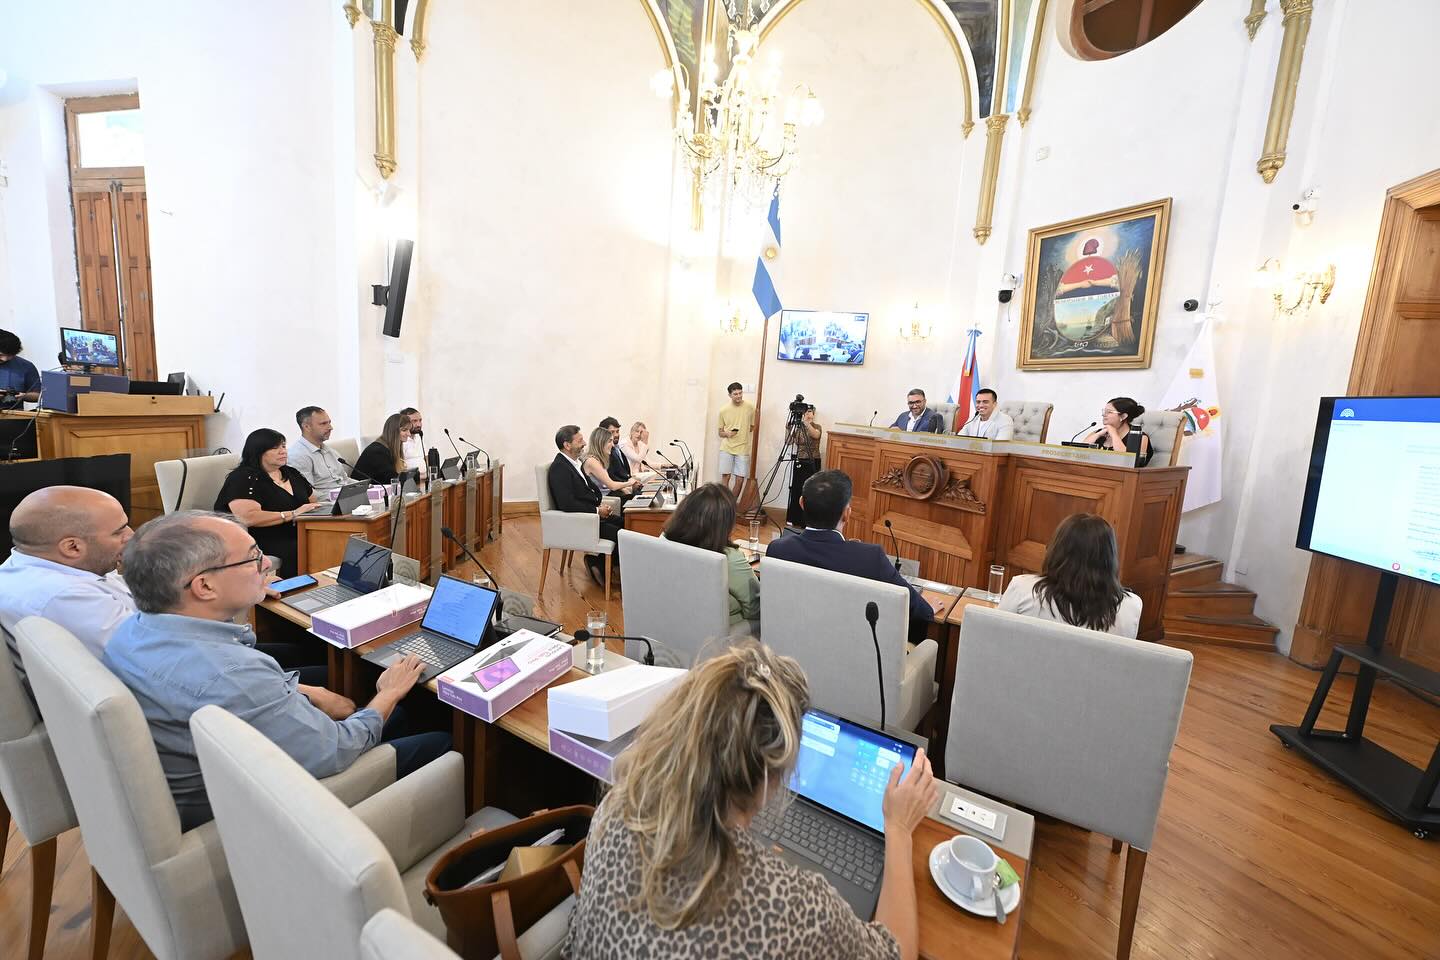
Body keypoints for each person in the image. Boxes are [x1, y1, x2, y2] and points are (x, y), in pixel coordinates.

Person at [563, 641, 937, 960]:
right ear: (771, 780)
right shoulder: (793, 909)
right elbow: (895, 952)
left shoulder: (617, 806)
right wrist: (899, 828)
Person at [103, 511, 450, 830]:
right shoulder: (234, 674)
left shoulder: (130, 632)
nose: (267, 563)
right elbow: (338, 750)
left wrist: (305, 691)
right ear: (204, 586)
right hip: (257, 814)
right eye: (253, 557)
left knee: (394, 717)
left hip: (209, 776)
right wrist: (388, 692)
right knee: (442, 741)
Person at [766, 469, 933, 644]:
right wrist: (928, 607)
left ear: (801, 503)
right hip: (849, 652)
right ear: (847, 513)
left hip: (788, 648)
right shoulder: (870, 558)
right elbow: (921, 612)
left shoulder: (778, 549)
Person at [0, 486, 134, 702]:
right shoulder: (65, 597)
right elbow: (153, 660)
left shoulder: (37, 562)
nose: (132, 535)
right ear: (72, 547)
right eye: (119, 531)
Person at [998, 513, 1143, 638]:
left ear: (1056, 551)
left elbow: (995, 637)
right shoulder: (1131, 607)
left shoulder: (1022, 589)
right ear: (1110, 559)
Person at [215, 427, 326, 577]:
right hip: (261, 538)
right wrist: (293, 514)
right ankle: (297, 588)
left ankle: (327, 584)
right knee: (303, 547)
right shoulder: (243, 478)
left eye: (283, 446)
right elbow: (248, 517)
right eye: (275, 448)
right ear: (258, 451)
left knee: (328, 539)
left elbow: (312, 501)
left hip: (298, 531)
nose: (283, 451)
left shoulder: (291, 472)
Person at [662, 483, 760, 626]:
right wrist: (733, 604)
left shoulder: (663, 540)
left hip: (669, 621)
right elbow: (756, 608)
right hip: (720, 635)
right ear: (725, 524)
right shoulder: (729, 558)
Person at [548, 424, 621, 587]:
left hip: (589, 516)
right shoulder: (559, 468)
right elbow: (567, 504)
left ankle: (599, 563)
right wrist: (596, 510)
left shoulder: (574, 463)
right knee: (621, 534)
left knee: (626, 524)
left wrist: (600, 506)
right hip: (579, 521)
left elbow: (589, 490)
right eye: (580, 441)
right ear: (567, 445)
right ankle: (601, 565)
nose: (584, 443)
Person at [288, 405, 349, 494]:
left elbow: (345, 480)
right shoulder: (297, 456)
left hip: (345, 498)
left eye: (329, 422)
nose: (330, 427)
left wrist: (367, 487)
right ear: (306, 427)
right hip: (326, 501)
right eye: (323, 424)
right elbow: (308, 493)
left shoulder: (331, 451)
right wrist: (341, 497)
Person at [1083, 397, 1152, 467]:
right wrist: (1097, 434)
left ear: (1123, 416)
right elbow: (1080, 453)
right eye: (1104, 411)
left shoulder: (1140, 437)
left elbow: (1128, 462)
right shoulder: (1100, 432)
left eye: (1109, 412)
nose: (1103, 414)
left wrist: (1114, 434)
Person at [785, 406, 823, 528]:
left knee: (810, 490)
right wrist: (789, 428)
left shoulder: (817, 426)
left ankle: (807, 521)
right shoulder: (798, 428)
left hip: (813, 461)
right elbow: (788, 441)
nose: (808, 414)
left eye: (810, 411)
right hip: (800, 460)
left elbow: (815, 435)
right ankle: (794, 518)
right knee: (797, 489)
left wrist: (806, 423)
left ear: (814, 414)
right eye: (805, 412)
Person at [584, 426, 643, 501]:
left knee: (641, 496)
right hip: (605, 498)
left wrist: (626, 487)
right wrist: (630, 483)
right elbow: (612, 486)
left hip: (611, 495)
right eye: (609, 441)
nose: (612, 445)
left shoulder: (598, 460)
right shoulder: (592, 461)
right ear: (600, 443)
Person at [717, 382, 755, 497]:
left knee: (740, 479)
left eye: (740, 393)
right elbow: (720, 433)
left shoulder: (750, 407)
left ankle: (732, 504)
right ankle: (725, 503)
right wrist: (727, 433)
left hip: (743, 448)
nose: (739, 396)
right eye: (735, 394)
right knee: (726, 477)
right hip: (726, 448)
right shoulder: (723, 410)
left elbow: (752, 427)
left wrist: (743, 431)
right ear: (730, 395)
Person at [353, 412, 409, 485]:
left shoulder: (388, 447)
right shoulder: (377, 452)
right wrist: (414, 476)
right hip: (363, 490)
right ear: (393, 431)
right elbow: (392, 479)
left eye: (409, 430)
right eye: (404, 430)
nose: (409, 434)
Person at [0, 329, 41, 404]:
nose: (4, 359)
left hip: (14, 411)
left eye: (10, 355)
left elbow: (38, 395)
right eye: (1, 355)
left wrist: (24, 396)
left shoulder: (26, 366)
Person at [599, 416, 632, 484]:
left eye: (617, 431)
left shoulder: (617, 448)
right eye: (612, 432)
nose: (616, 435)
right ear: (603, 434)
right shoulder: (604, 452)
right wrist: (628, 484)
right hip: (618, 488)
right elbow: (611, 477)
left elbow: (625, 472)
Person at [399, 406, 427, 477]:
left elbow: (426, 458)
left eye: (420, 420)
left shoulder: (419, 436)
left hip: (425, 478)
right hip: (410, 480)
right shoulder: (401, 440)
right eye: (414, 421)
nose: (419, 424)